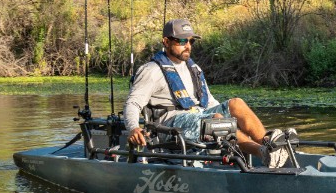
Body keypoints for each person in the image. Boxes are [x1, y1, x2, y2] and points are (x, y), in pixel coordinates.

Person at [122, 18, 289, 167]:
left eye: (191, 41)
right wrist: (133, 128)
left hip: (199, 116)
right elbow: (133, 103)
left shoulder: (194, 68)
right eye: (182, 41)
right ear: (166, 42)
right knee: (216, 120)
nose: (188, 46)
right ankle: (262, 153)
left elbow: (209, 102)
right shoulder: (151, 71)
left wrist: (228, 117)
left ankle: (270, 144)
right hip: (169, 127)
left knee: (236, 104)